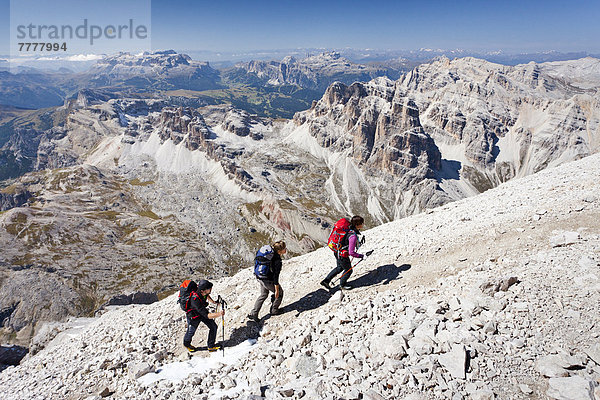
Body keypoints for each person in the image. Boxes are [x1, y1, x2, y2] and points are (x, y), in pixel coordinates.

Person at [321, 215, 365, 290]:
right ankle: (342, 284)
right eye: (362, 223)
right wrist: (362, 256)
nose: (363, 224)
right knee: (348, 270)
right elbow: (351, 253)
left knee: (339, 268)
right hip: (343, 255)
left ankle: (326, 281)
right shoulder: (352, 236)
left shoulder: (348, 228)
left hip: (337, 251)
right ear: (357, 225)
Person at [247, 241, 287, 322]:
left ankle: (253, 314)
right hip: (267, 279)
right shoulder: (277, 260)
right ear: (279, 251)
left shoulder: (268, 252)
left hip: (259, 276)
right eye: (284, 249)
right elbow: (276, 275)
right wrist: (276, 290)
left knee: (264, 294)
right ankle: (274, 310)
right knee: (280, 293)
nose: (286, 249)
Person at [183, 279, 225, 352]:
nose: (211, 289)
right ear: (203, 290)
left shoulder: (202, 292)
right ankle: (186, 344)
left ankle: (211, 346)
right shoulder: (195, 300)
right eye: (209, 289)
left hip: (201, 312)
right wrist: (219, 314)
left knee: (213, 326)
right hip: (194, 316)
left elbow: (207, 295)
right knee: (191, 331)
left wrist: (213, 302)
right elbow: (207, 315)